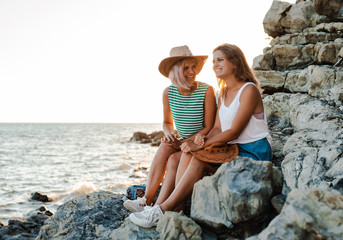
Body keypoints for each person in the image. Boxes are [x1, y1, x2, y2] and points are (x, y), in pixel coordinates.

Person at [129, 43, 272, 228]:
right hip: (233, 148)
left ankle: (162, 210)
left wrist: (200, 145)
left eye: (220, 60)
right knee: (182, 156)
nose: (214, 65)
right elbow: (217, 129)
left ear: (235, 63)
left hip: (254, 151)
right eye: (213, 61)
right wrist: (201, 140)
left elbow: (233, 131)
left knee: (196, 156)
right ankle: (166, 207)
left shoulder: (249, 90)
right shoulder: (224, 93)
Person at [123, 45, 216, 213]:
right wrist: (169, 134)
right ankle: (146, 201)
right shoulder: (168, 92)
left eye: (193, 66)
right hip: (180, 141)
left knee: (173, 159)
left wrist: (188, 142)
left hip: (200, 142)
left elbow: (210, 127)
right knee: (165, 145)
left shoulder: (206, 90)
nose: (191, 71)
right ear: (175, 71)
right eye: (185, 68)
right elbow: (166, 122)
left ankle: (161, 207)